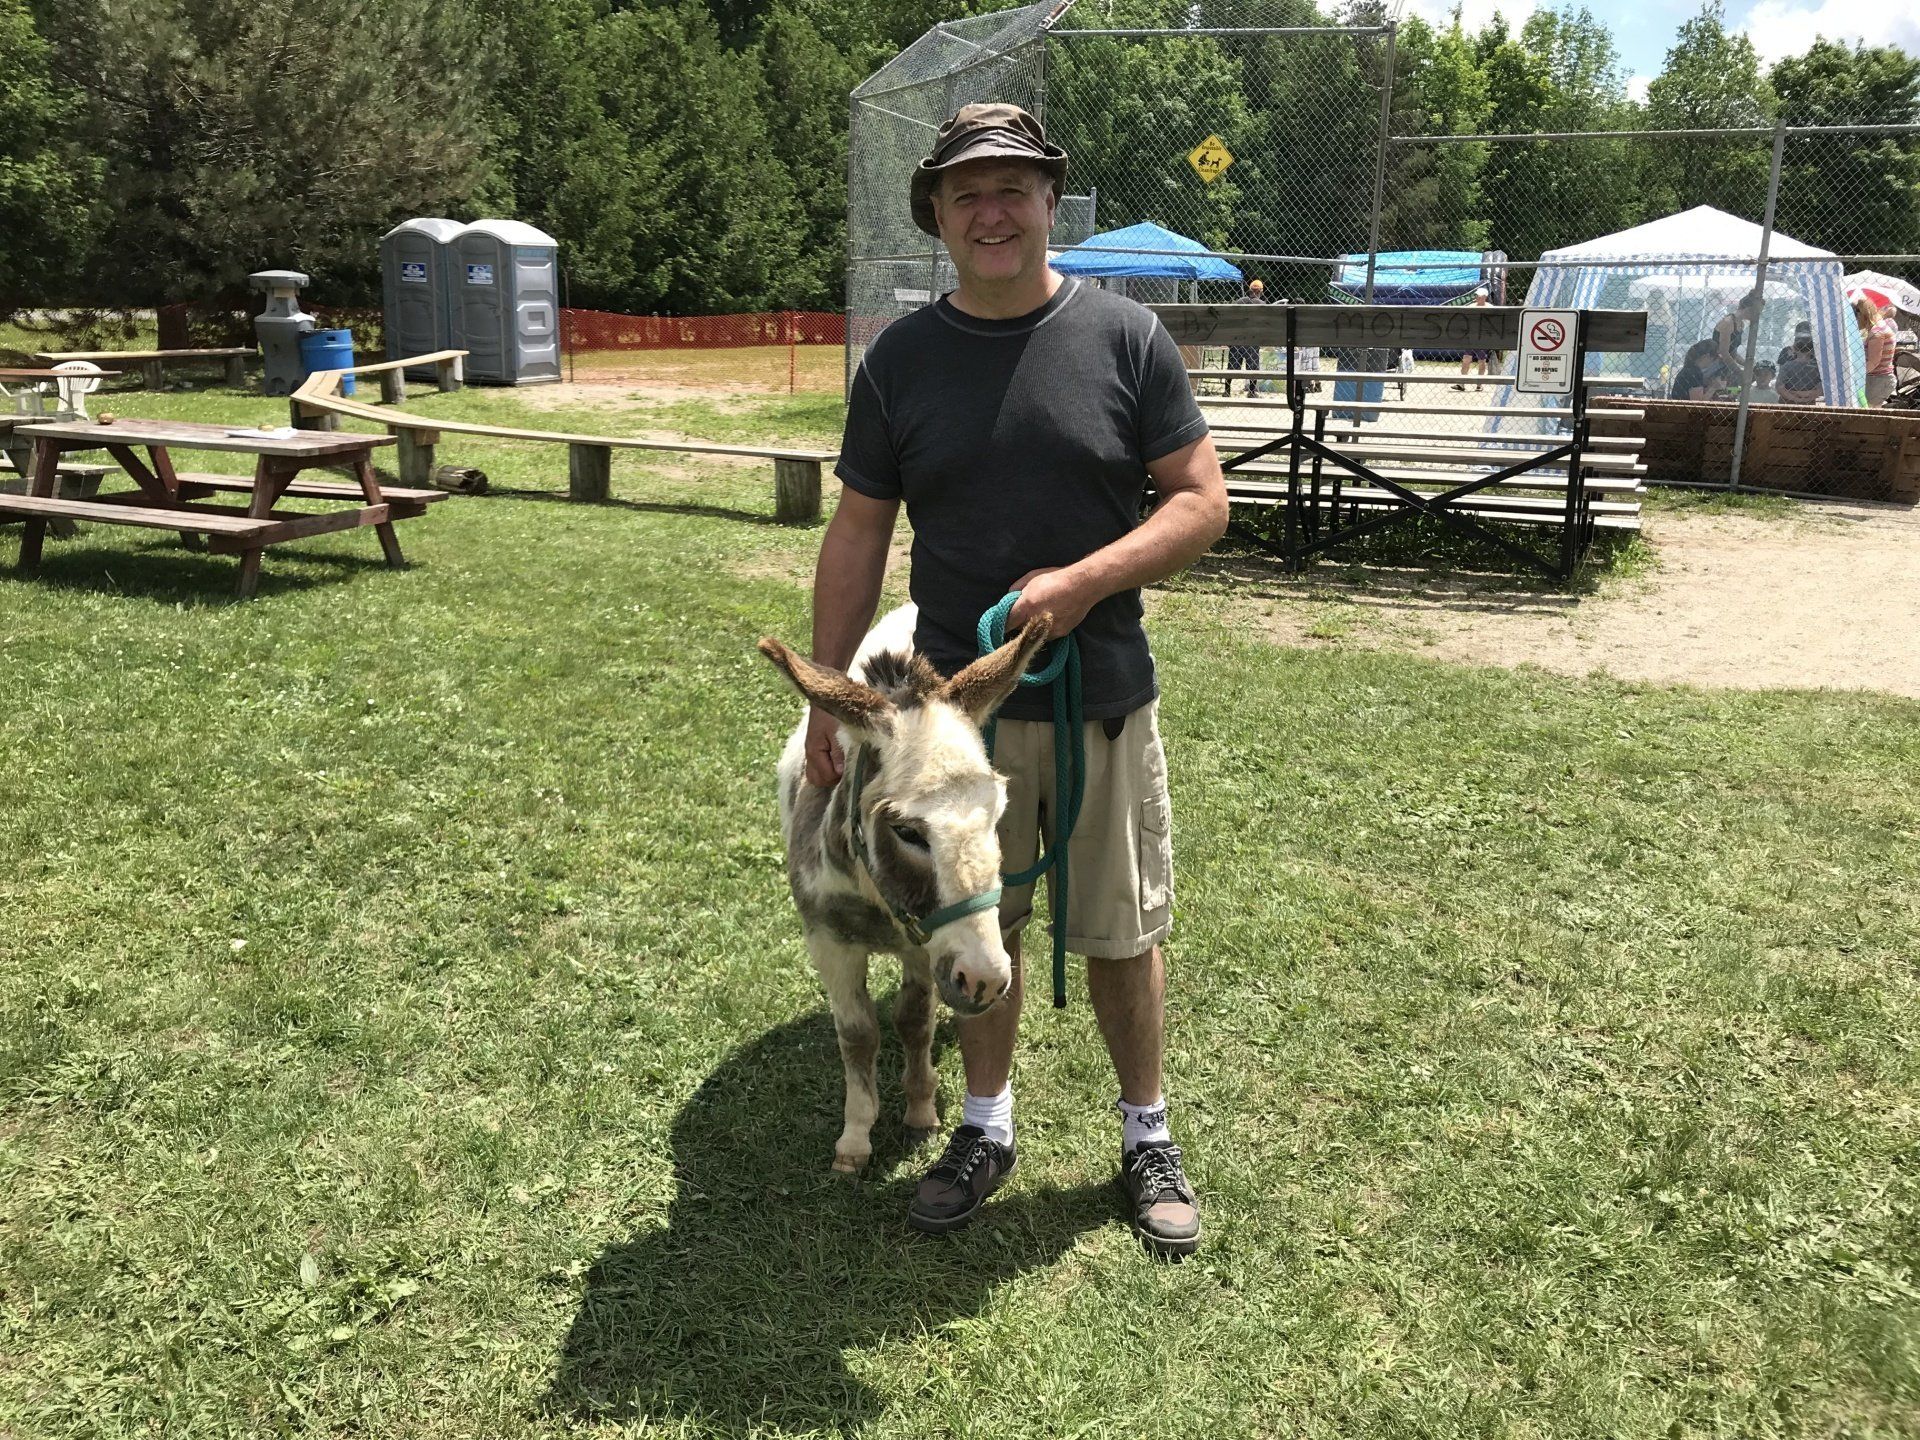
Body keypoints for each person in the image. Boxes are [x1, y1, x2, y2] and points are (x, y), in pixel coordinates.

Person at [809, 103, 1228, 1257]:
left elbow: (1202, 502)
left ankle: (1146, 1135)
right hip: (955, 726)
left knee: (1121, 931)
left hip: (1101, 698)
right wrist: (823, 696)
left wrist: (1088, 580)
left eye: (1011, 189)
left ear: (1051, 201)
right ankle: (983, 1127)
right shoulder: (900, 364)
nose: (990, 212)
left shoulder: (1127, 338)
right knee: (973, 925)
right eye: (966, 195)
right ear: (938, 217)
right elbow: (857, 533)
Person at [1228, 278, 1267, 397]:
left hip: (1237, 339)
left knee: (1232, 366)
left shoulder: (1239, 302)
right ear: (1260, 292)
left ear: (1249, 290)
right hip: (1252, 340)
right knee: (1253, 367)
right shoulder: (1262, 304)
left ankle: (1227, 390)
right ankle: (1251, 391)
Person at [1858, 296, 1898, 406]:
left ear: (1862, 315)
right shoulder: (1878, 327)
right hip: (1878, 378)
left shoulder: (1877, 332)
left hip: (1878, 379)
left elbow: (1874, 362)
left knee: (1868, 412)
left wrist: (1855, 376)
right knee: (1868, 410)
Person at [1713, 288, 1765, 373]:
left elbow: (1733, 353)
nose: (1758, 316)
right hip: (1715, 365)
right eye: (1758, 312)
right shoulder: (1728, 323)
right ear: (1748, 309)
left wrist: (1747, 365)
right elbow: (1723, 353)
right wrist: (1739, 372)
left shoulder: (1740, 324)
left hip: (1725, 366)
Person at [1452, 286, 1492, 390]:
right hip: (1471, 337)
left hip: (1483, 338)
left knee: (1481, 361)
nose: (1477, 297)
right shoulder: (1471, 306)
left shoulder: (1490, 308)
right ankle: (1462, 383)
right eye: (1476, 295)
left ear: (1485, 297)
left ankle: (1479, 384)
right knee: (1466, 359)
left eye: (1479, 296)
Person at [1776, 334, 1823, 404]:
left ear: (1794, 349)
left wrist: (1795, 398)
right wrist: (1807, 397)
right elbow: (1820, 389)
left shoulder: (1787, 366)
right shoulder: (1816, 367)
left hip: (1788, 402)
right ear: (1812, 350)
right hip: (1809, 403)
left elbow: (1780, 388)